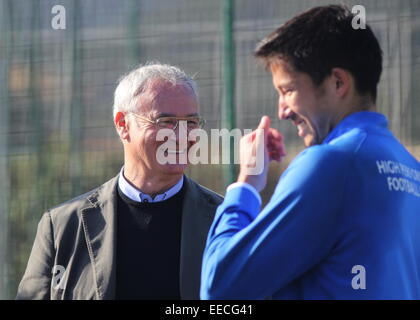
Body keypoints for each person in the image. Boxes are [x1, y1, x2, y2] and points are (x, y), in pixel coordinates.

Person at [200, 5, 420, 299]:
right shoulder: (409, 168)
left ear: (338, 83)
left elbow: (220, 286)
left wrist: (247, 186)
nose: (281, 111)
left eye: (288, 90)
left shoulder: (330, 164)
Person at [17, 63, 223, 300]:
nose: (181, 136)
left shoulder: (225, 221)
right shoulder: (63, 226)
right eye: (166, 122)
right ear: (123, 125)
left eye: (192, 123)